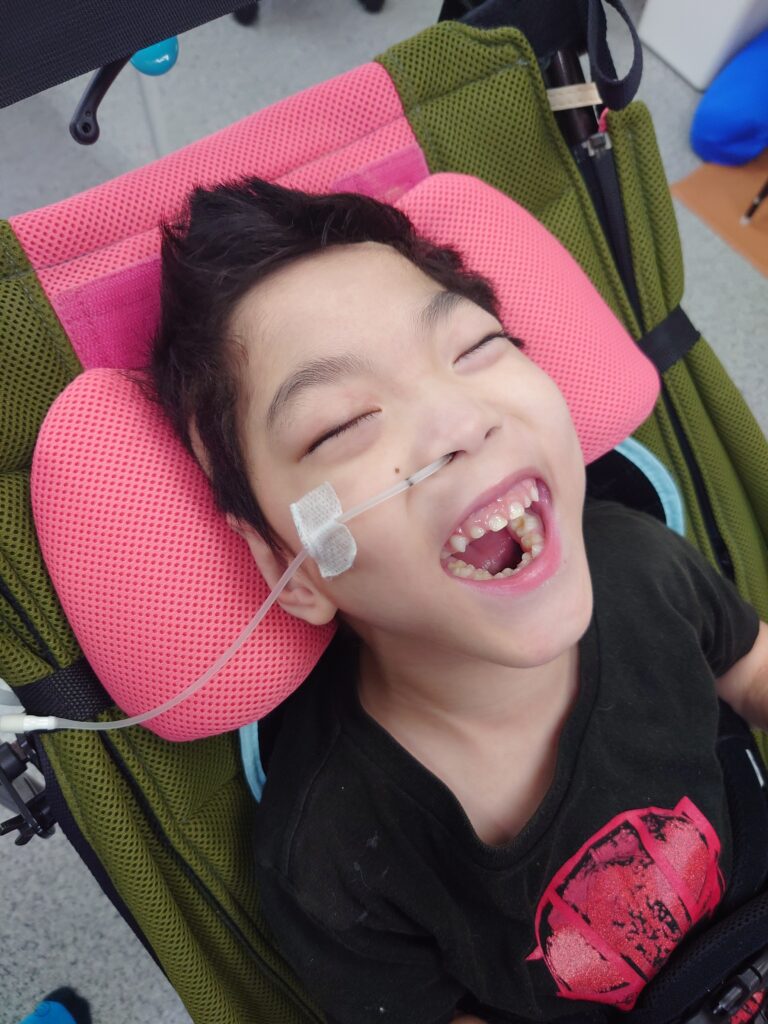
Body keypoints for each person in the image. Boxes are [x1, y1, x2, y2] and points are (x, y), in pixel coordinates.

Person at [149, 175, 768, 1024]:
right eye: (341, 425)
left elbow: (751, 669)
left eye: (476, 346)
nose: (459, 422)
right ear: (293, 565)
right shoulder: (330, 845)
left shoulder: (640, 565)